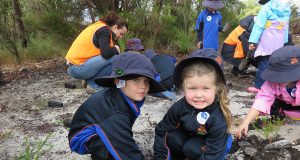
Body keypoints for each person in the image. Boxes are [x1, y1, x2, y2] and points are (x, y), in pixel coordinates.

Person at [68, 52, 165, 159]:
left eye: (146, 81)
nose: (143, 86)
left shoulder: (123, 97)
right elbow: (127, 153)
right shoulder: (115, 111)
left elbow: (123, 126)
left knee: (118, 135)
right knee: (112, 148)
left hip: (104, 125)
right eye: (136, 80)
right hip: (82, 136)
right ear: (119, 81)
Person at [154, 49, 232, 159]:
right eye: (192, 88)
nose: (199, 95)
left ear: (217, 89)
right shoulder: (179, 107)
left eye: (206, 88)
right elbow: (161, 130)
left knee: (191, 148)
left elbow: (214, 154)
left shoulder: (218, 118)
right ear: (183, 89)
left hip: (213, 144)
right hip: (191, 134)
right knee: (171, 137)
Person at [235, 46, 300, 139]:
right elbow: (262, 99)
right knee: (270, 102)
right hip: (285, 106)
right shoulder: (272, 82)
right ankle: (279, 116)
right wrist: (246, 122)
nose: (282, 79)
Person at [65, 11, 128, 93]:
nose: (121, 37)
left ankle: (91, 82)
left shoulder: (100, 27)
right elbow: (106, 54)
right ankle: (95, 84)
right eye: (121, 33)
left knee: (111, 62)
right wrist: (116, 49)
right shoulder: (104, 30)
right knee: (115, 58)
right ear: (115, 27)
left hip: (76, 66)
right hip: (76, 68)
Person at [247, 0, 291, 93]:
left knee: (264, 64)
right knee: (275, 64)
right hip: (279, 42)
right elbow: (286, 27)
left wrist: (253, 41)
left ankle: (259, 87)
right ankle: (275, 87)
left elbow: (259, 26)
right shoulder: (286, 9)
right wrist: (285, 41)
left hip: (267, 41)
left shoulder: (267, 7)